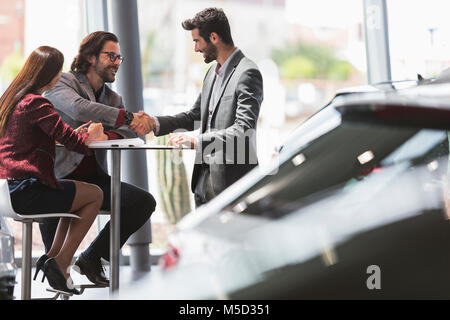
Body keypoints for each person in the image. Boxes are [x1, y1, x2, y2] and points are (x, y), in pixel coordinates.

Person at [42, 31, 157, 286]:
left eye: (119, 57)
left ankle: (92, 257)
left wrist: (105, 134)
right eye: (110, 56)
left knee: (143, 202)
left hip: (93, 180)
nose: (116, 62)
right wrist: (126, 117)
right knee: (55, 270)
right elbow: (78, 108)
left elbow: (130, 133)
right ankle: (57, 267)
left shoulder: (114, 98)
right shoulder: (63, 82)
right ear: (91, 57)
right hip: (59, 179)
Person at [0, 46, 107, 294]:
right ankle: (61, 261)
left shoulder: (13, 99)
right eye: (58, 71)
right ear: (49, 74)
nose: (61, 76)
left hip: (7, 190)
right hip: (26, 191)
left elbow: (44, 136)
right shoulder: (37, 103)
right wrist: (89, 136)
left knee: (71, 196)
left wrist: (72, 136)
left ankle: (51, 257)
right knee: (95, 195)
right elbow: (75, 144)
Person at [152, 7, 264, 207]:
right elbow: (194, 116)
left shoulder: (248, 73)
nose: (195, 48)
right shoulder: (212, 72)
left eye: (196, 41)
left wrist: (197, 142)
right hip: (203, 182)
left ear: (213, 37)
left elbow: (243, 130)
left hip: (231, 185)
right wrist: (154, 123)